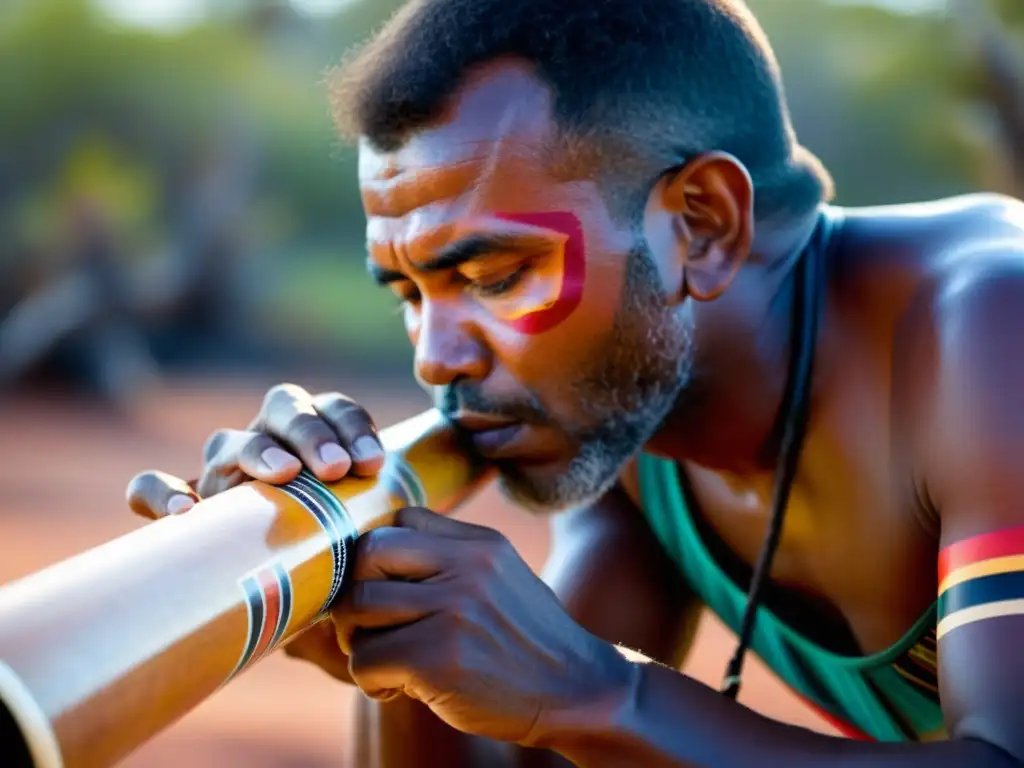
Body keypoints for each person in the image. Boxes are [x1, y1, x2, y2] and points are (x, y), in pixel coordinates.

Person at [126, 0, 1024, 764]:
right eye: (409, 289)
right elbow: (530, 752)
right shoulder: (639, 418)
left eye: (492, 276)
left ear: (702, 225)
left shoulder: (990, 330)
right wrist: (386, 652)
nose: (435, 360)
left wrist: (599, 691)